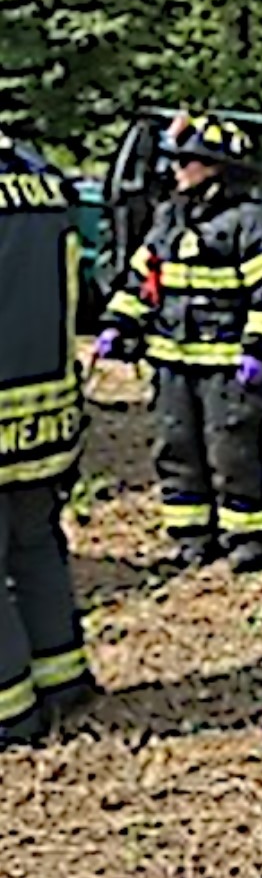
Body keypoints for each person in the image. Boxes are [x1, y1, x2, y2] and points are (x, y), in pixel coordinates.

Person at [96, 112, 262, 572]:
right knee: (177, 447)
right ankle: (193, 536)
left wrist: (257, 351)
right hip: (171, 362)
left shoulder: (253, 222)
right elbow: (145, 279)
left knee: (233, 451)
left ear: (218, 167)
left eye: (188, 161)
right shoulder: (169, 218)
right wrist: (120, 323)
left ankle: (249, 535)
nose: (177, 170)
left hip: (229, 366)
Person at [0, 133, 98, 747]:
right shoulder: (41, 176)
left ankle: (10, 712)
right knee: (36, 546)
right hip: (45, 409)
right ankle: (63, 679)